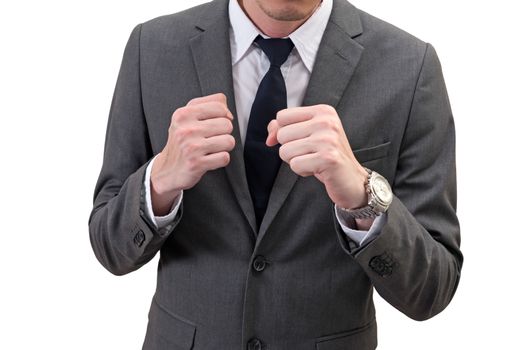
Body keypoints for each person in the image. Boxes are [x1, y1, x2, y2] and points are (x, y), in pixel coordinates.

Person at [88, 0, 463, 348]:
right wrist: (159, 182)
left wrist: (364, 199)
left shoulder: (409, 67)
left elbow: (431, 289)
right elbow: (110, 249)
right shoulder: (151, 47)